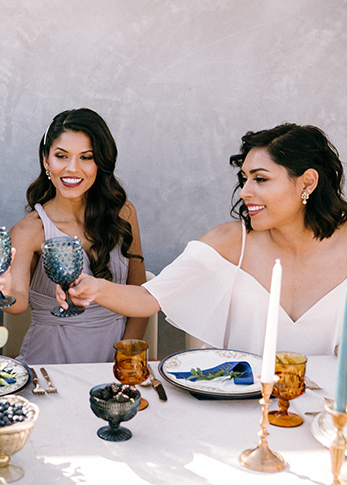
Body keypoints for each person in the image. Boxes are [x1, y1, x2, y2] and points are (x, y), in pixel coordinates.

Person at [61, 123, 347, 356]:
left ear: (307, 182)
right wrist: (94, 287)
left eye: (260, 179)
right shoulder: (231, 242)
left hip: (328, 414)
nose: (245, 191)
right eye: (244, 178)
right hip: (241, 407)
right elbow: (148, 299)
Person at [0, 108, 146, 364]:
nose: (72, 169)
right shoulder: (28, 230)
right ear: (46, 160)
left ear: (100, 162)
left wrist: (125, 356)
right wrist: (1, 288)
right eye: (61, 156)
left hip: (114, 362)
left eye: (86, 157)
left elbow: (141, 293)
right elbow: (18, 303)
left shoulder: (123, 213)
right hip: (49, 363)